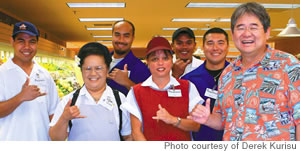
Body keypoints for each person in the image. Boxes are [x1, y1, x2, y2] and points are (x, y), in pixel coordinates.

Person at [189, 2, 300, 141]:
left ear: (267, 32)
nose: (247, 34)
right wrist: (207, 119)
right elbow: (224, 120)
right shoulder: (228, 73)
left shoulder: (289, 66)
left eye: (253, 27)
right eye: (240, 28)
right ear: (233, 34)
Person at [121, 37, 204, 141]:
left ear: (171, 60)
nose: (160, 63)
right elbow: (136, 132)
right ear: (148, 62)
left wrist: (173, 120)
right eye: (154, 59)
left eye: (165, 58)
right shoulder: (136, 92)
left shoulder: (188, 87)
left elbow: (196, 126)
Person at [49, 42, 131, 141]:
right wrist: (64, 118)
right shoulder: (69, 101)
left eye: (98, 68)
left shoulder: (120, 100)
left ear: (107, 69)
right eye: (88, 68)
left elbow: (128, 136)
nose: (93, 73)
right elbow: (55, 138)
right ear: (81, 70)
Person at [0, 21, 59, 141]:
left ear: (37, 44)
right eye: (21, 40)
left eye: (32, 41)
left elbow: (53, 113)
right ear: (12, 42)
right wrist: (20, 97)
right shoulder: (2, 73)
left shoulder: (45, 75)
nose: (27, 46)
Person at [182, 27, 230, 141]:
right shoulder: (188, 80)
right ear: (203, 47)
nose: (215, 48)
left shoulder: (239, 77)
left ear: (227, 47)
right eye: (210, 43)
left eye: (220, 43)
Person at [107, 20, 151, 95]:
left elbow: (148, 97)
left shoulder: (141, 68)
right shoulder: (101, 62)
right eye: (117, 35)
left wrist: (127, 82)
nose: (121, 40)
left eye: (126, 36)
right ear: (112, 36)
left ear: (132, 38)